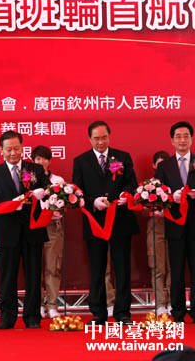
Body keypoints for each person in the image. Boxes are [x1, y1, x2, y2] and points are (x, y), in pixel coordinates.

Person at [72, 120, 139, 325]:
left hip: (120, 219)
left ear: (109, 136)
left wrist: (126, 195)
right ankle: (98, 313)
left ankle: (123, 313)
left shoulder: (123, 157)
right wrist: (93, 202)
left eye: (104, 137)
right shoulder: (81, 161)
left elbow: (132, 184)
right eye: (96, 138)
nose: (100, 142)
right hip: (95, 221)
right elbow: (77, 191)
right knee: (97, 268)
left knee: (122, 268)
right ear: (89, 139)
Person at [0, 131, 47, 329]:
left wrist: (42, 192)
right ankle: (7, 317)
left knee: (33, 275)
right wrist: (12, 203)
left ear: (22, 147)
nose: (13, 153)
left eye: (16, 148)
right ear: (1, 150)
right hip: (7, 231)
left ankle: (32, 317)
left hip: (33, 229)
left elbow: (47, 192)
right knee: (7, 275)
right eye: (9, 149)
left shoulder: (35, 169)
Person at [155, 121, 195, 323]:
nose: (182, 140)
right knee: (176, 269)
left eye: (186, 136)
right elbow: (156, 194)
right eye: (178, 136)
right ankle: (177, 311)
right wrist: (171, 197)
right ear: (172, 140)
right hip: (175, 224)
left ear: (191, 139)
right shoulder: (164, 166)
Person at [32, 145, 64, 319]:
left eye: (44, 158)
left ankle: (52, 304)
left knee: (53, 266)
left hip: (53, 225)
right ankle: (37, 304)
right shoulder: (28, 179)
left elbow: (66, 203)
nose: (41, 162)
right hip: (35, 225)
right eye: (38, 158)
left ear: (49, 161)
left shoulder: (58, 180)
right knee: (34, 267)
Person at [149, 150, 172, 316]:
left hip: (173, 226)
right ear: (154, 165)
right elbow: (140, 207)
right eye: (159, 165)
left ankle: (172, 302)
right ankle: (159, 304)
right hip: (155, 228)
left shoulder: (173, 181)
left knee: (173, 267)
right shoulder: (148, 186)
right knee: (158, 268)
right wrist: (151, 211)